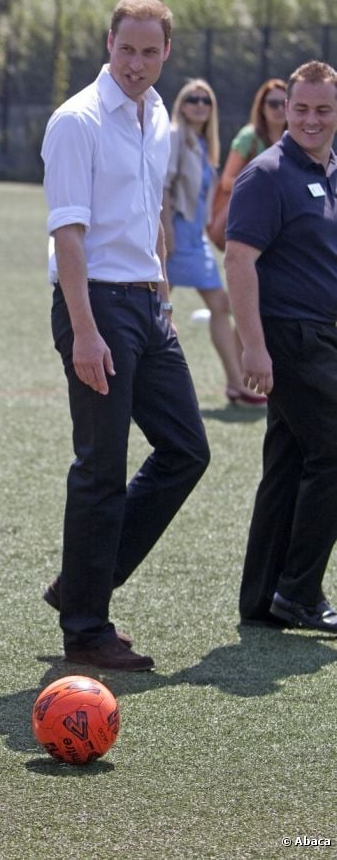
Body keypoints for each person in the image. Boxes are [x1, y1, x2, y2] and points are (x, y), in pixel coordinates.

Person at [40, 0, 210, 671]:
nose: (136, 63)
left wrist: (162, 295)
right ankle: (85, 627)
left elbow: (153, 212)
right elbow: (68, 235)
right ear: (106, 43)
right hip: (95, 306)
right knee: (100, 467)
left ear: (166, 52)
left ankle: (82, 581)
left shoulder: (159, 114)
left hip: (145, 304)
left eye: (149, 51)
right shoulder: (75, 120)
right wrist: (84, 331)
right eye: (125, 48)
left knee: (186, 450)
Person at [225, 60, 337, 633]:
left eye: (323, 110)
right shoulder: (267, 174)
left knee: (290, 464)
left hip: (323, 336)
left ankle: (264, 598)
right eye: (301, 109)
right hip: (290, 337)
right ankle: (299, 593)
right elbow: (238, 259)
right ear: (283, 110)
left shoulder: (331, 170)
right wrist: (252, 346)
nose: (311, 120)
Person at [162, 79, 266, 407]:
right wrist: (167, 235)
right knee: (156, 311)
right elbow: (162, 187)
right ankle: (142, 385)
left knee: (218, 305)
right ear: (181, 102)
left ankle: (236, 384)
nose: (199, 104)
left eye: (205, 100)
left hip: (196, 237)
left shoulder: (204, 143)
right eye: (192, 98)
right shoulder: (175, 134)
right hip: (176, 235)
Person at [219, 77, 287, 193]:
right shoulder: (248, 137)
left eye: (284, 103)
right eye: (273, 104)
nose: (280, 108)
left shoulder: (297, 139)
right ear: (262, 107)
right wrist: (258, 186)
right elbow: (226, 181)